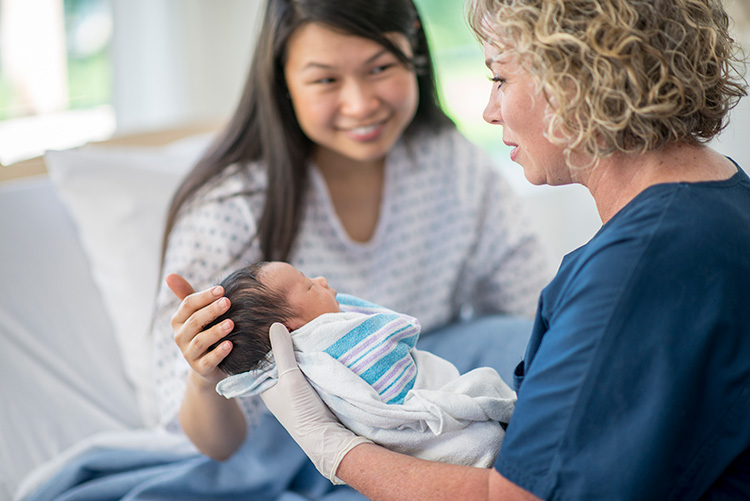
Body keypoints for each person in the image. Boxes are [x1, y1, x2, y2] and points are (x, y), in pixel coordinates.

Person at [254, 0, 750, 499]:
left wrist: (335, 450)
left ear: (579, 78)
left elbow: (514, 497)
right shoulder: (721, 198)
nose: (490, 112)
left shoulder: (633, 274)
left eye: (500, 79)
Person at [157, 0, 551, 496]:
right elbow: (216, 445)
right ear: (282, 81)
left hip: (416, 407)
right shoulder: (230, 210)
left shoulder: (452, 165)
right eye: (325, 80)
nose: (361, 103)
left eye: (380, 68)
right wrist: (203, 374)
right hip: (281, 455)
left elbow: (529, 318)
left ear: (414, 53)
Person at [205, 261, 516, 468]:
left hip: (426, 399)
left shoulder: (337, 330)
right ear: (289, 329)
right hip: (417, 426)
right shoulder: (320, 353)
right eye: (309, 287)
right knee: (484, 399)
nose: (321, 280)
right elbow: (372, 408)